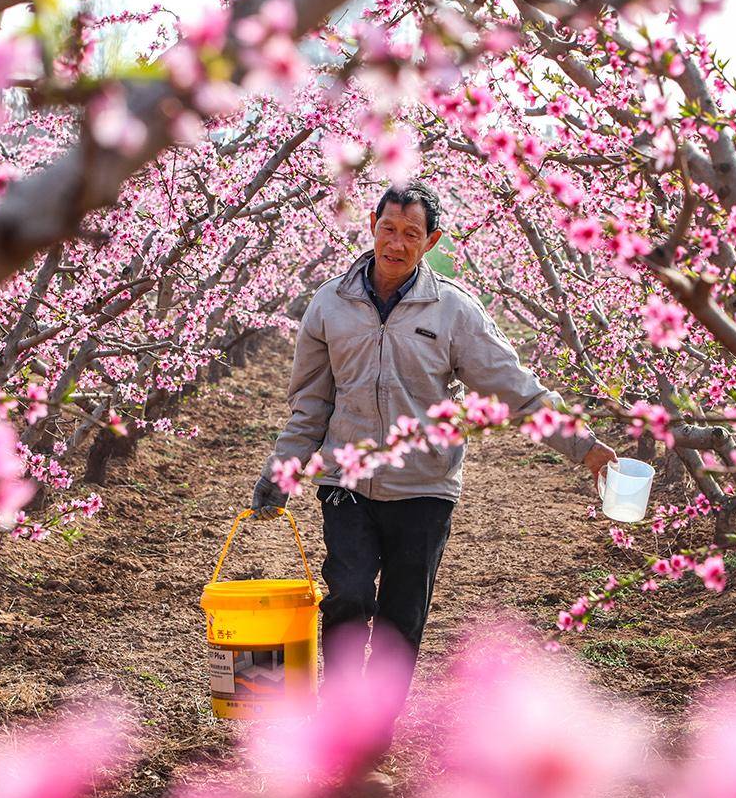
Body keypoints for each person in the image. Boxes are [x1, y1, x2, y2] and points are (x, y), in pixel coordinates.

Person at [250, 180, 616, 741]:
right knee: (346, 593)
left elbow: (513, 386)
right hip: (346, 479)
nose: (395, 244)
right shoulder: (330, 304)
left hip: (424, 486)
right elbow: (312, 400)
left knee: (401, 616)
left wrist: (582, 445)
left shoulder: (453, 311)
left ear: (431, 241)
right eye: (387, 229)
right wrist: (284, 467)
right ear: (371, 226)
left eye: (410, 234)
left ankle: (375, 736)